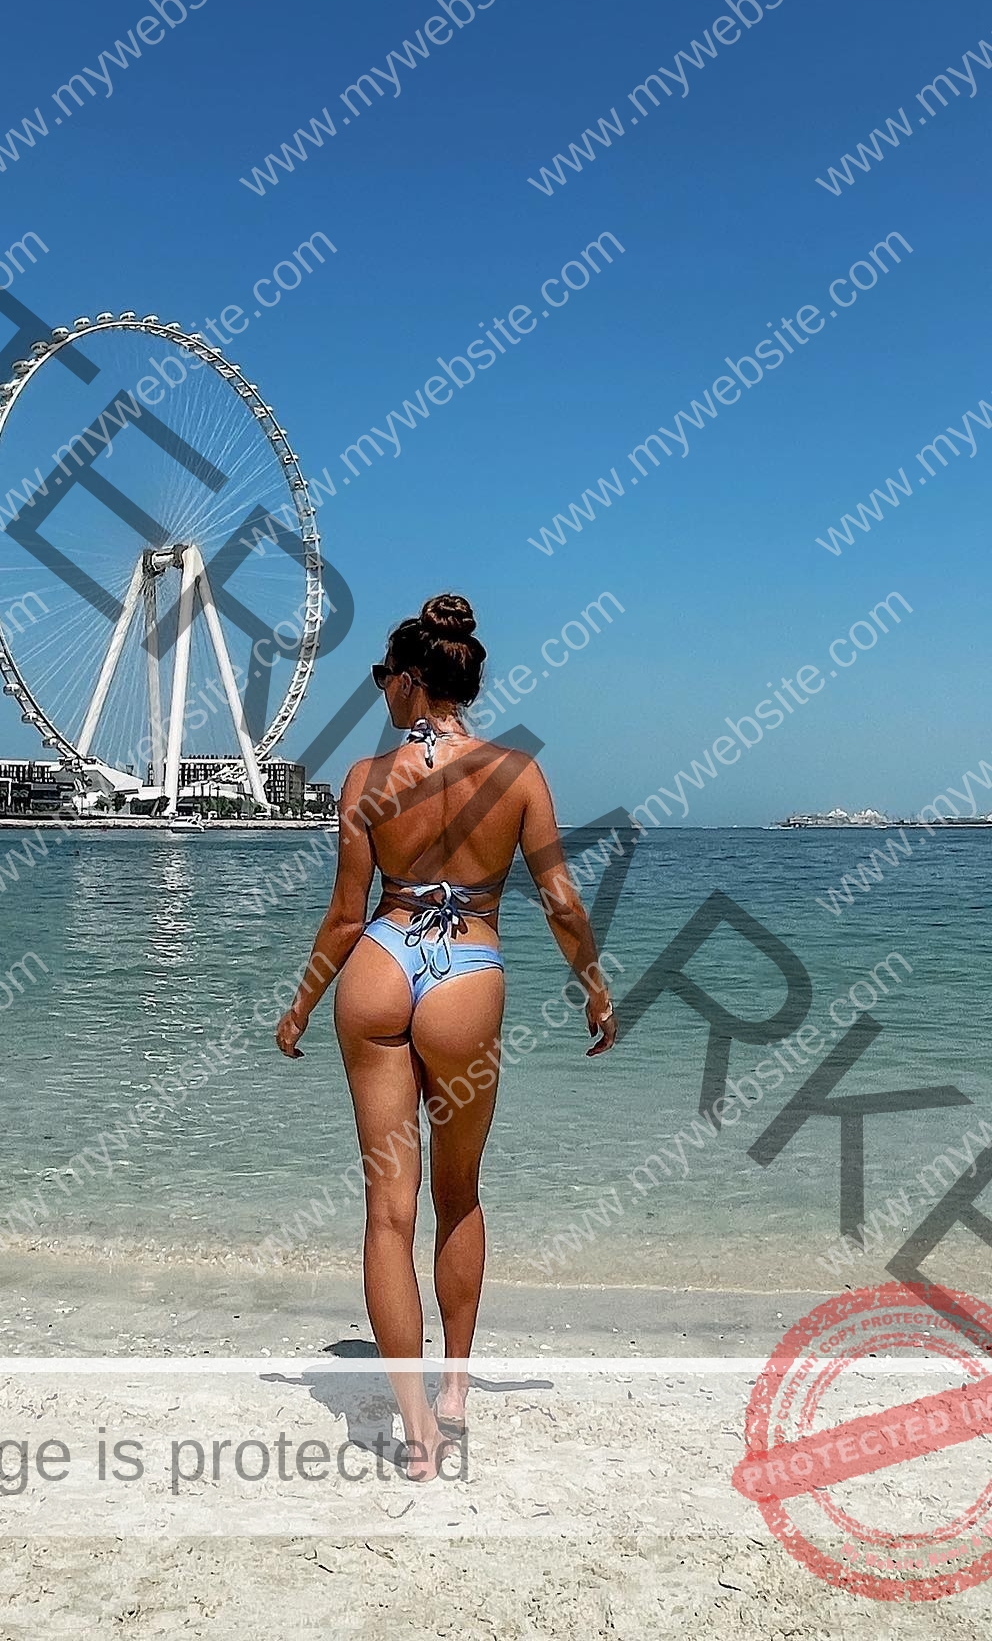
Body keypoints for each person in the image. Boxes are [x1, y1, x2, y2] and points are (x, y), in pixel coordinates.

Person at [274, 593, 618, 1480]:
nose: (380, 691)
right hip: (467, 970)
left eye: (383, 678)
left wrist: (302, 1005)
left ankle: (419, 1429)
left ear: (410, 681)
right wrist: (594, 988)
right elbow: (562, 904)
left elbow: (344, 916)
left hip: (379, 966)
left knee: (387, 1213)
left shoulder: (364, 780)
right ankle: (456, 1389)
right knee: (457, 1193)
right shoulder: (517, 774)